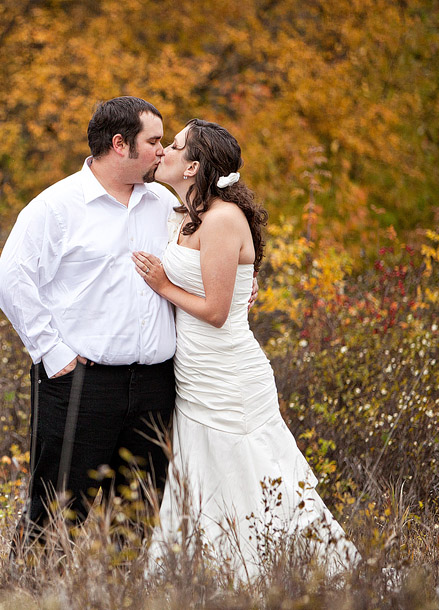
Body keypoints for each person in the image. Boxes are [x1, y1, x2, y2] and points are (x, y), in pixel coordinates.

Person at [134, 119, 358, 581]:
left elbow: (215, 311)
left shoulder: (222, 219)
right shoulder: (184, 213)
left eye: (173, 146)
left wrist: (163, 284)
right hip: (195, 374)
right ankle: (214, 574)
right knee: (208, 478)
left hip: (229, 374)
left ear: (193, 167)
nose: (164, 153)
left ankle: (287, 573)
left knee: (253, 473)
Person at [0, 96, 180, 558]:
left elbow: (194, 261)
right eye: (153, 141)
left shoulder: (164, 202)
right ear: (120, 144)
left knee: (138, 509)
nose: (162, 150)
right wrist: (52, 353)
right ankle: (28, 596)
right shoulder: (55, 206)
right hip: (79, 380)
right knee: (57, 509)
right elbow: (11, 279)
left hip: (156, 384)